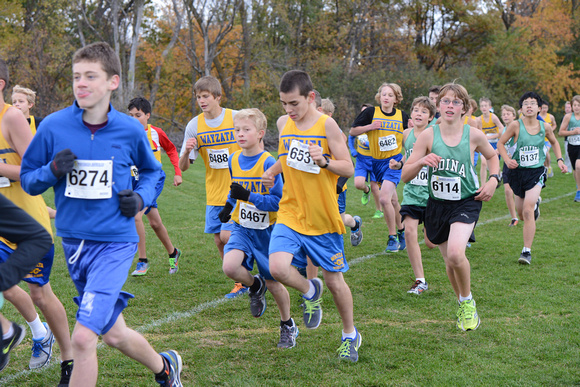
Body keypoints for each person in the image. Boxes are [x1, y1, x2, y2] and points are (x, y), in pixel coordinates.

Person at [20, 42, 182, 387]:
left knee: (82, 338)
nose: (81, 83)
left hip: (116, 243)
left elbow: (154, 173)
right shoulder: (52, 126)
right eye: (77, 76)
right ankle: (165, 369)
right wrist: (51, 170)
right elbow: (29, 180)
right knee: (114, 334)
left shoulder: (129, 129)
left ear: (112, 82)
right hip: (75, 245)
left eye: (90, 76)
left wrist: (139, 200)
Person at [262, 70, 361, 362]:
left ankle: (349, 334)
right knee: (277, 268)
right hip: (291, 210)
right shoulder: (284, 124)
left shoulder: (327, 126)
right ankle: (309, 289)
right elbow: (286, 155)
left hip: (323, 217)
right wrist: (273, 170)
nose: (288, 110)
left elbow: (348, 168)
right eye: (284, 104)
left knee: (335, 281)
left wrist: (324, 160)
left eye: (294, 103)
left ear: (311, 98)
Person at [402, 83, 500, 331]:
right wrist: (422, 160)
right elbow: (405, 175)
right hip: (436, 204)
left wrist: (493, 180)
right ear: (438, 106)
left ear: (464, 108)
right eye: (445, 101)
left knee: (457, 253)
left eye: (456, 102)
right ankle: (461, 302)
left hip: (466, 202)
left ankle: (467, 302)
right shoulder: (427, 136)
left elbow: (492, 156)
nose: (449, 106)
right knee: (449, 261)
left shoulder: (473, 134)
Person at [0, 57, 74, 382]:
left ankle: (69, 357)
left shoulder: (12, 117)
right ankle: (13, 332)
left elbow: (37, 173)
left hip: (28, 224)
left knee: (39, 293)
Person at [219, 108, 298, 348]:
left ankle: (288, 325)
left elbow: (277, 201)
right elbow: (236, 190)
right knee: (230, 266)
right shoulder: (234, 159)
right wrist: (228, 206)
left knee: (274, 283)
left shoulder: (269, 162)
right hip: (242, 226)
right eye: (237, 130)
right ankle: (255, 285)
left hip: (267, 230)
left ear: (261, 133)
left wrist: (250, 196)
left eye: (246, 130)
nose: (240, 134)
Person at [179, 76, 245, 298]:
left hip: (240, 188)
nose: (201, 101)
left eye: (206, 96)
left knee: (229, 236)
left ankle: (250, 268)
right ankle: (240, 280)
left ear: (218, 97)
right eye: (198, 97)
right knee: (219, 239)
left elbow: (256, 144)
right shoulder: (194, 125)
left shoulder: (236, 118)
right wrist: (188, 151)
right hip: (214, 192)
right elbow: (183, 167)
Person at [498, 92, 567, 265]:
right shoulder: (515, 125)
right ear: (521, 108)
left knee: (527, 211)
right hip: (517, 173)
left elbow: (555, 142)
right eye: (526, 103)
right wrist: (507, 160)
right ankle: (535, 205)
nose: (529, 106)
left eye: (533, 103)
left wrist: (559, 160)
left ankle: (526, 251)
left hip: (536, 172)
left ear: (539, 108)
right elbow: (500, 144)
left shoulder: (545, 127)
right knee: (522, 214)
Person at [350, 83, 409, 252]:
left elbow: (412, 137)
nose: (386, 97)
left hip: (393, 163)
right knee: (393, 200)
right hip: (376, 162)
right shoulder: (371, 113)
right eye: (384, 94)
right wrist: (370, 127)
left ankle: (392, 238)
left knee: (384, 199)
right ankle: (402, 231)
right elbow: (353, 131)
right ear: (379, 96)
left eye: (390, 95)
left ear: (396, 99)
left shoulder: (402, 116)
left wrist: (403, 160)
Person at [127, 97, 182, 276]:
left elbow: (172, 149)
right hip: (135, 181)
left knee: (136, 216)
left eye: (138, 115)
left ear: (148, 115)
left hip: (153, 180)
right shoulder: (125, 134)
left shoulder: (156, 133)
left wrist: (177, 172)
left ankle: (142, 261)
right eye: (131, 115)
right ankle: (173, 252)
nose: (134, 119)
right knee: (155, 223)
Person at [0, 193, 52, 372]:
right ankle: (7, 331)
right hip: (4, 233)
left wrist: (52, 213)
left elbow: (30, 179)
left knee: (40, 295)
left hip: (26, 229)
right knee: (7, 288)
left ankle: (44, 337)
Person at [390, 96, 437, 295]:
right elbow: (409, 156)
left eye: (424, 111)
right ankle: (420, 280)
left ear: (431, 117)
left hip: (431, 194)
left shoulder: (434, 135)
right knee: (409, 231)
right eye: (416, 110)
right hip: (411, 192)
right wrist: (399, 164)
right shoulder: (407, 133)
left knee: (431, 242)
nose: (419, 113)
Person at [318, 98, 363, 247]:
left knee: (339, 218)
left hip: (337, 185)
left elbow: (348, 163)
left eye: (319, 112)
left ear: (329, 115)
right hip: (320, 184)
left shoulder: (334, 131)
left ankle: (355, 223)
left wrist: (339, 183)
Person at [11, 85, 56, 219]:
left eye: (21, 101)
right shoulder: (7, 123)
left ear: (30, 104)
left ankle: (57, 215)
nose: (17, 104)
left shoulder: (40, 124)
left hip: (32, 173)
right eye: (14, 102)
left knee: (30, 208)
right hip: (12, 172)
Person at [349, 103, 383, 218]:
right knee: (358, 184)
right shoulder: (358, 126)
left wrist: (368, 144)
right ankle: (366, 190)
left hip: (374, 160)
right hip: (361, 160)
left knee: (375, 188)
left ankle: (379, 210)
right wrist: (353, 149)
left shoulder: (377, 126)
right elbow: (351, 136)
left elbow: (381, 143)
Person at [499, 105, 519, 226]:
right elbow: (501, 147)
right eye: (504, 114)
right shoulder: (502, 131)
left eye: (508, 114)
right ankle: (514, 217)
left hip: (518, 163)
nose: (505, 116)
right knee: (507, 190)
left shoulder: (518, 128)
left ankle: (534, 201)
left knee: (518, 191)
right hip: (507, 163)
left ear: (513, 116)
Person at [478, 97, 504, 186]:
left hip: (495, 143)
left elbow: (502, 129)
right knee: (484, 162)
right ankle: (483, 185)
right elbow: (479, 132)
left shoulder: (493, 117)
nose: (484, 108)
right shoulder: (479, 119)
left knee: (495, 164)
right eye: (482, 106)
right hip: (485, 144)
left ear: (490, 107)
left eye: (485, 106)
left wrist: (493, 136)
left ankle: (498, 175)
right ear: (480, 108)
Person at [558, 95, 580, 202]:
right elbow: (560, 132)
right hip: (572, 146)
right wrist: (573, 132)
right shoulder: (568, 117)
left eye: (578, 105)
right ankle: (579, 187)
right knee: (576, 170)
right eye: (574, 105)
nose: (576, 107)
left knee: (578, 165)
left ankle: (579, 192)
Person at [539, 101, 557, 178]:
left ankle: (548, 166)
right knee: (542, 154)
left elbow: (554, 124)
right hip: (540, 139)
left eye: (546, 108)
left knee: (546, 152)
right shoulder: (537, 116)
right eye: (543, 108)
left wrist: (550, 130)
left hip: (547, 139)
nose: (544, 109)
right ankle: (545, 167)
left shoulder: (550, 117)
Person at [561, 101, 573, 172]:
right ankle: (568, 169)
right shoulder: (564, 117)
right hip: (567, 139)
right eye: (566, 107)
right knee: (567, 154)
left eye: (569, 107)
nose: (567, 109)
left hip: (576, 139)